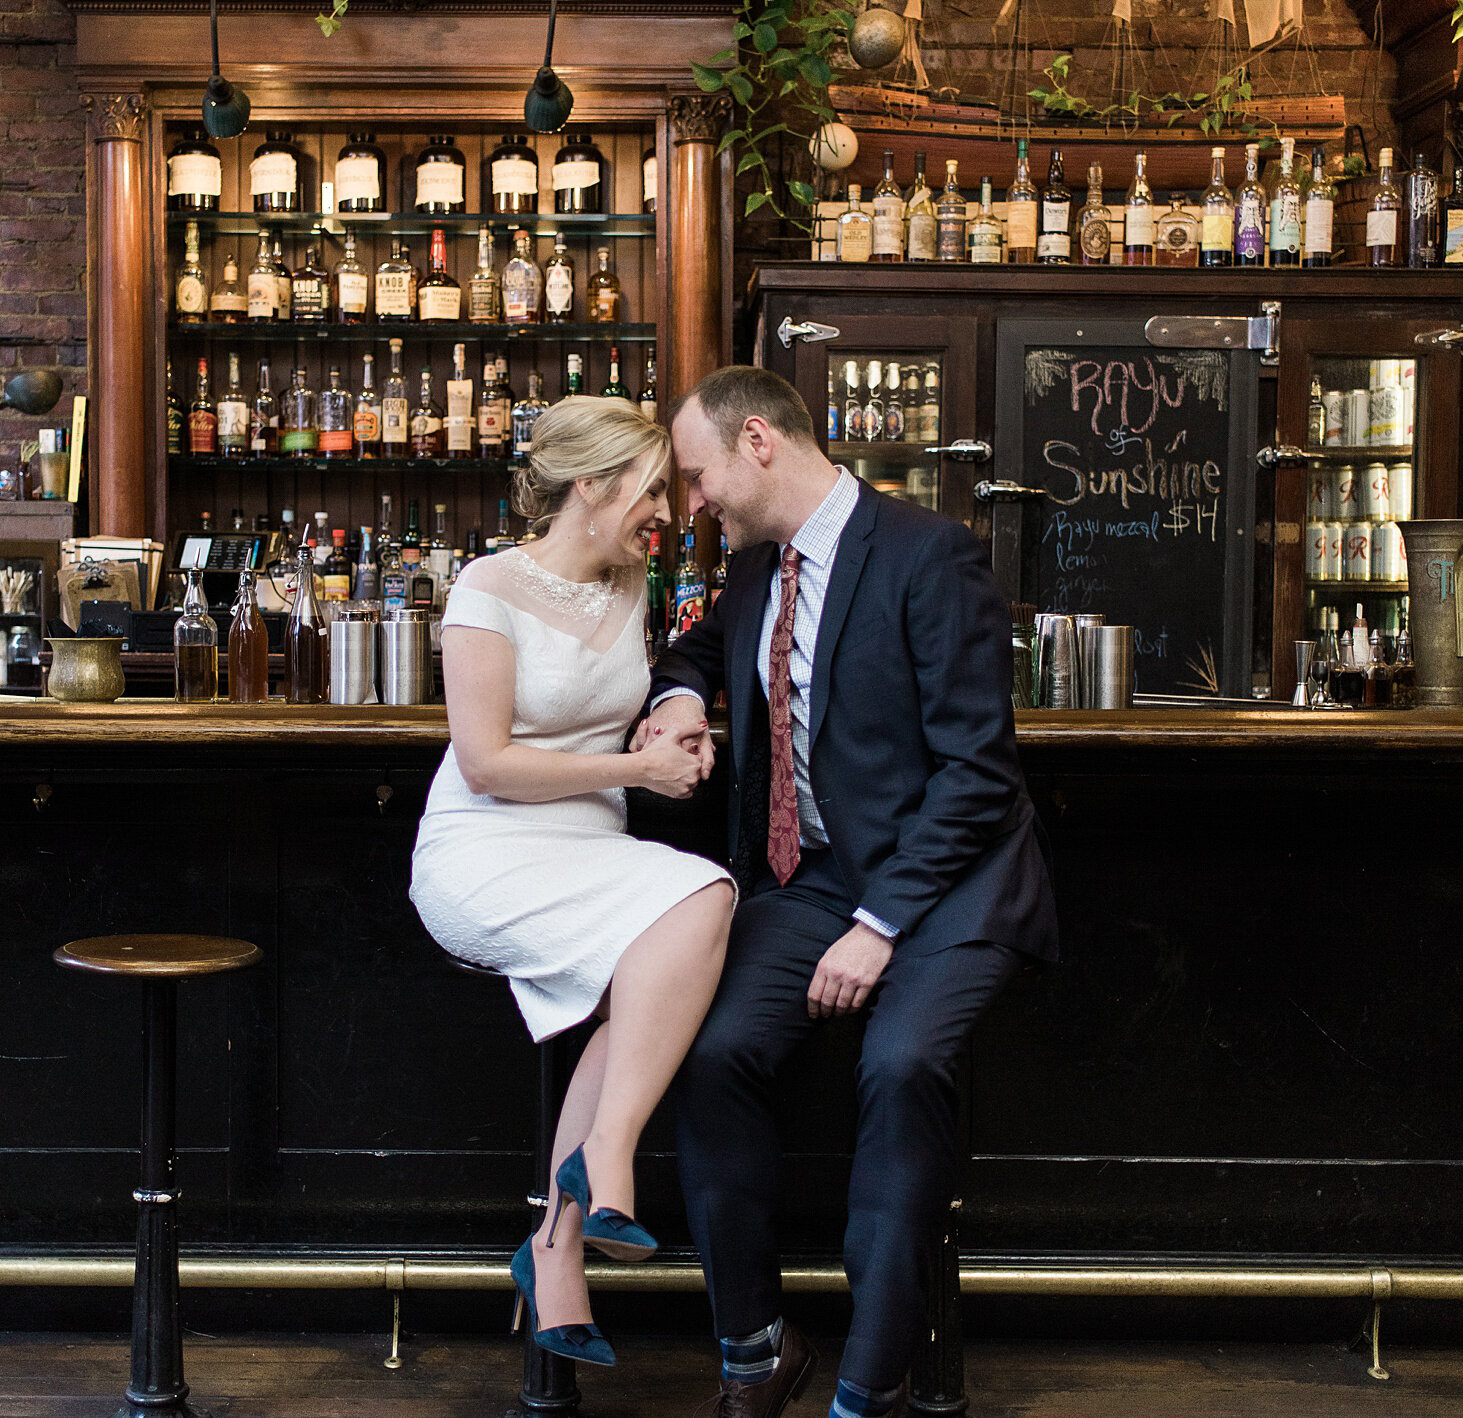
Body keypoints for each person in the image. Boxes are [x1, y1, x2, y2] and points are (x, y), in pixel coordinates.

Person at [638, 366, 1058, 1418]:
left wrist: (880, 924)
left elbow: (977, 771)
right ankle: (754, 1349)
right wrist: (683, 695)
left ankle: (869, 1385)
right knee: (709, 1047)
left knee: (904, 1062)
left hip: (950, 886)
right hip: (813, 881)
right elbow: (691, 652)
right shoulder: (752, 575)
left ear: (760, 443)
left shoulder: (928, 554)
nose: (695, 502)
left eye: (698, 476)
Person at [409, 395, 735, 1368]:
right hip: (488, 851)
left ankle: (556, 1247)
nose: (667, 514)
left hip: (591, 850)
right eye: (648, 490)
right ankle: (605, 1165)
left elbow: (659, 680)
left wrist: (673, 717)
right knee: (700, 899)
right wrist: (640, 771)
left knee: (686, 922)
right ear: (588, 486)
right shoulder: (488, 587)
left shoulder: (632, 584)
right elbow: (488, 762)